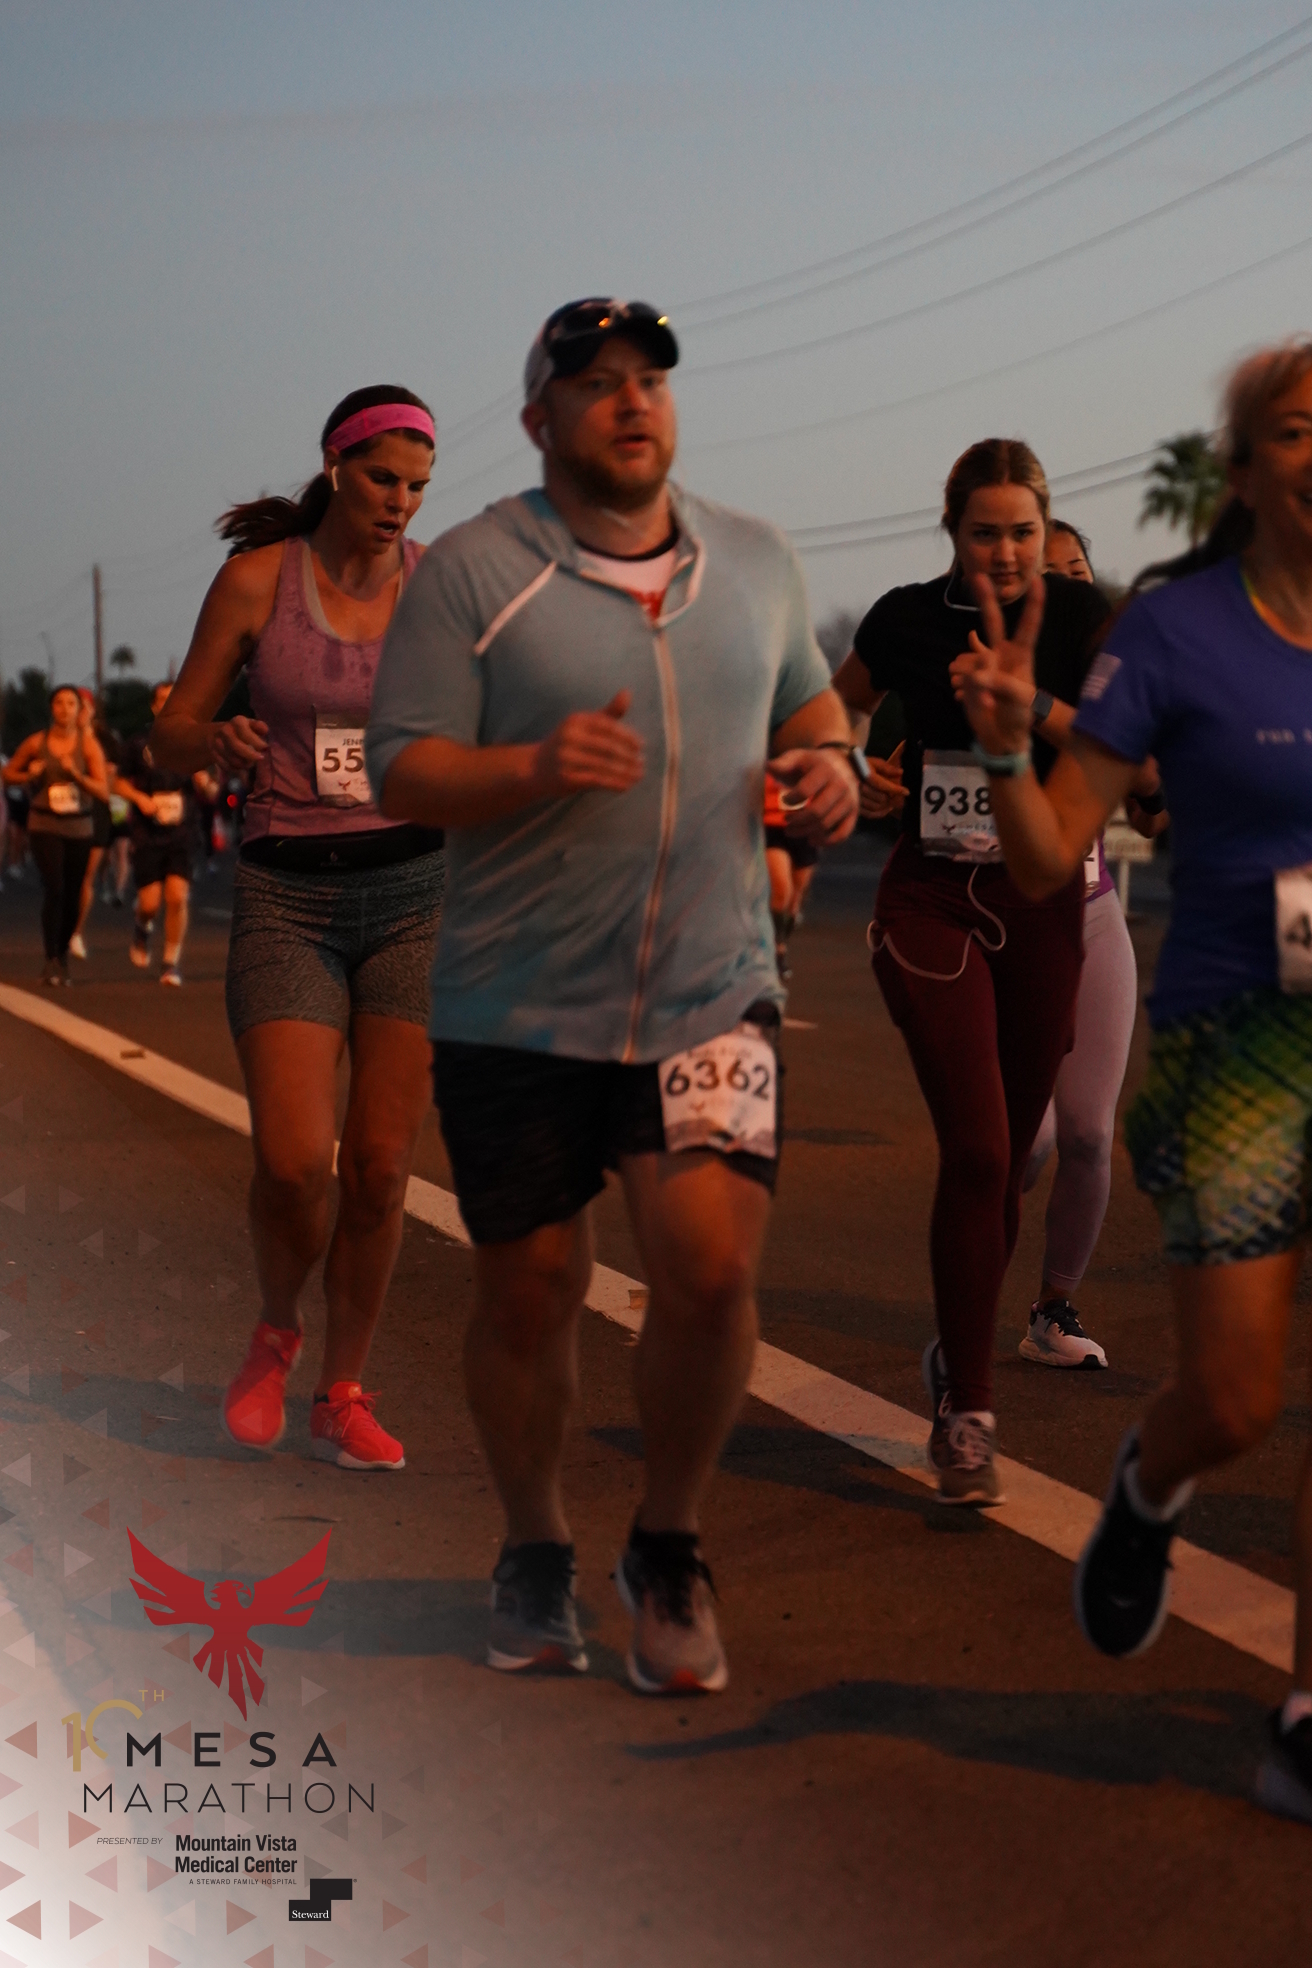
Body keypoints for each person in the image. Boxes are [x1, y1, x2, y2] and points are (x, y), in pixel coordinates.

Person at [366, 297, 861, 1691]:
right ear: (540, 421)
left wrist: (833, 769)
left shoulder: (754, 560)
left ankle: (668, 1541)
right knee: (530, 1290)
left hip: (712, 986)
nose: (631, 400)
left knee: (710, 1271)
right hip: (514, 1002)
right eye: (595, 383)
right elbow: (403, 765)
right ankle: (535, 1543)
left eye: (649, 378)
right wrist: (533, 766)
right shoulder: (474, 573)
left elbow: (811, 708)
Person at [953, 339, 1312, 1826]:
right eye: (1297, 431)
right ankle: (1151, 1483)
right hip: (1242, 1047)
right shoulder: (1174, 632)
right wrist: (1004, 748)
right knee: (1233, 1400)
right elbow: (1051, 855)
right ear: (1243, 469)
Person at [149, 384, 443, 1472]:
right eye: (382, 479)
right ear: (334, 466)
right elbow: (169, 736)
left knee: (380, 1167)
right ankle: (276, 1333)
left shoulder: (437, 588)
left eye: (418, 486)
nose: (400, 502)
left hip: (416, 893)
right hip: (288, 901)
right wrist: (212, 737)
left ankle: (342, 1394)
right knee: (290, 1165)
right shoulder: (257, 582)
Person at [833, 441, 1112, 1503]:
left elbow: (1132, 747)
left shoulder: (1081, 620)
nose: (1005, 552)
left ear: (1047, 531)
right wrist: (851, 769)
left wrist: (1028, 704)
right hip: (930, 899)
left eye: (1023, 533)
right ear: (952, 532)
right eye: (984, 532)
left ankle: (957, 1357)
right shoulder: (905, 618)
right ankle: (969, 1415)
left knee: (1003, 1165)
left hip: (1042, 902)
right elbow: (833, 710)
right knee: (983, 1149)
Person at [1017, 523, 1168, 1367]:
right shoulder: (990, 671)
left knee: (1085, 1135)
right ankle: (965, 1285)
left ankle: (1052, 1312)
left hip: (1093, 909)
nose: (1073, 586)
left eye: (1080, 571)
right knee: (1026, 1140)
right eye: (1054, 575)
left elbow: (1151, 792)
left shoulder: (1112, 680)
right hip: (1000, 923)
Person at [2, 685, 110, 984]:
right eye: (59, 703)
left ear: (79, 710)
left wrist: (76, 775)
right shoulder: (37, 742)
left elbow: (103, 790)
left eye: (70, 703)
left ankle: (62, 956)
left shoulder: (88, 745)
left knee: (73, 893)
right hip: (44, 823)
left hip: (79, 825)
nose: (64, 709)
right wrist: (28, 774)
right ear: (52, 708)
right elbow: (7, 774)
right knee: (55, 887)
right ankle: (50, 957)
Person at [116, 681, 217, 985]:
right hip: (147, 831)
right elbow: (117, 782)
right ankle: (141, 926)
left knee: (177, 896)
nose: (168, 703)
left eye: (173, 698)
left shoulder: (195, 741)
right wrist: (139, 799)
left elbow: (213, 790)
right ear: (153, 706)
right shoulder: (138, 744)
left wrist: (204, 783)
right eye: (162, 699)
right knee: (150, 902)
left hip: (182, 830)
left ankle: (170, 962)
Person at [68, 691, 115, 960]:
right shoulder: (61, 738)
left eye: (86, 706)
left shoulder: (105, 740)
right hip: (66, 811)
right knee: (64, 877)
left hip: (96, 812)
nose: (81, 712)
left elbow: (112, 782)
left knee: (85, 875)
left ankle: (76, 931)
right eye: (78, 706)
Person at [764, 772, 820, 979]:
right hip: (773, 825)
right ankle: (775, 949)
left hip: (804, 825)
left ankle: (781, 941)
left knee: (795, 901)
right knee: (781, 891)